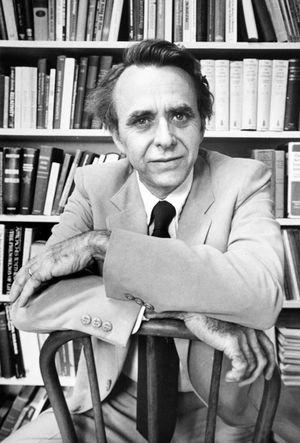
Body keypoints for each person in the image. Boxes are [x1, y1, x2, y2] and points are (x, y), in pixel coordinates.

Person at [4, 39, 287, 442]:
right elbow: (28, 305)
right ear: (117, 136)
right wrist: (181, 314)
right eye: (141, 120)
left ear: (202, 123)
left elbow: (261, 294)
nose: (166, 138)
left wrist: (102, 247)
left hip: (218, 409)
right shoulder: (93, 185)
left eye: (180, 115)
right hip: (112, 403)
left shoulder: (244, 180)